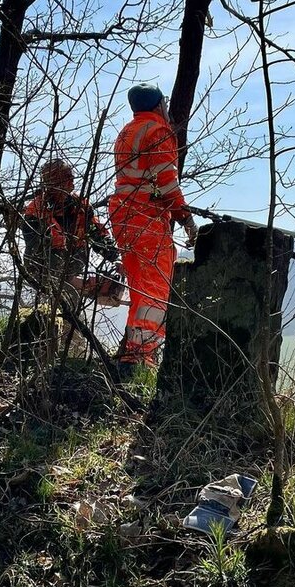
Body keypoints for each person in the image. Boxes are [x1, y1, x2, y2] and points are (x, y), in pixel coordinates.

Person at [109, 84, 197, 375]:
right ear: (159, 105)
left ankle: (133, 352)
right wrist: (186, 220)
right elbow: (168, 184)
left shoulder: (126, 132)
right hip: (145, 218)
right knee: (156, 288)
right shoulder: (158, 132)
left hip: (124, 216)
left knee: (138, 286)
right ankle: (143, 357)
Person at [21, 158, 119, 301]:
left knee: (73, 306)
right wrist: (72, 280)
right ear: (53, 181)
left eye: (71, 175)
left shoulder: (80, 207)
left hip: (75, 268)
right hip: (44, 274)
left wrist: (115, 257)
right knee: (54, 307)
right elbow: (39, 251)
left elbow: (96, 234)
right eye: (66, 176)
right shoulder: (35, 212)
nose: (72, 179)